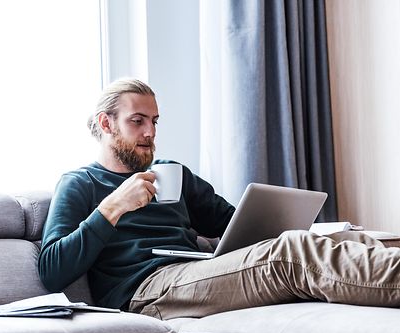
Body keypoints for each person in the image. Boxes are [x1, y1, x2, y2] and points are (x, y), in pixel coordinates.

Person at [38, 78, 400, 320]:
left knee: (349, 238)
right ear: (106, 124)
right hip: (146, 291)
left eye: (154, 121)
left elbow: (233, 223)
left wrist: (284, 223)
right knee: (290, 253)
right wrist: (113, 206)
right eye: (137, 121)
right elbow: (53, 270)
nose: (150, 132)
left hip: (195, 272)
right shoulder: (81, 183)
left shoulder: (171, 171)